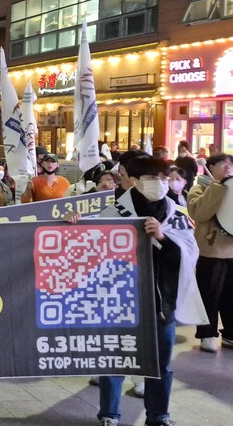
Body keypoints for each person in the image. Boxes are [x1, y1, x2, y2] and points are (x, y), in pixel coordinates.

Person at [69, 156, 205, 426]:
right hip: (119, 302)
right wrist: (75, 226)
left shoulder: (176, 215)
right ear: (133, 181)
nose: (161, 184)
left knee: (160, 363)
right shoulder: (113, 213)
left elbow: (189, 256)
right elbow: (90, 254)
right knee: (115, 358)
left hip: (160, 302)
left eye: (165, 178)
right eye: (153, 179)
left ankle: (158, 415)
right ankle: (109, 413)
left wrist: (162, 239)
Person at [187, 153, 233, 353]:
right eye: (224, 164)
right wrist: (218, 186)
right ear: (211, 167)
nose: (228, 168)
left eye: (231, 164)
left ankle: (230, 334)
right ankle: (207, 334)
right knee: (209, 295)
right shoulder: (200, 188)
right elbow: (200, 213)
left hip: (231, 250)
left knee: (231, 296)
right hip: (211, 251)